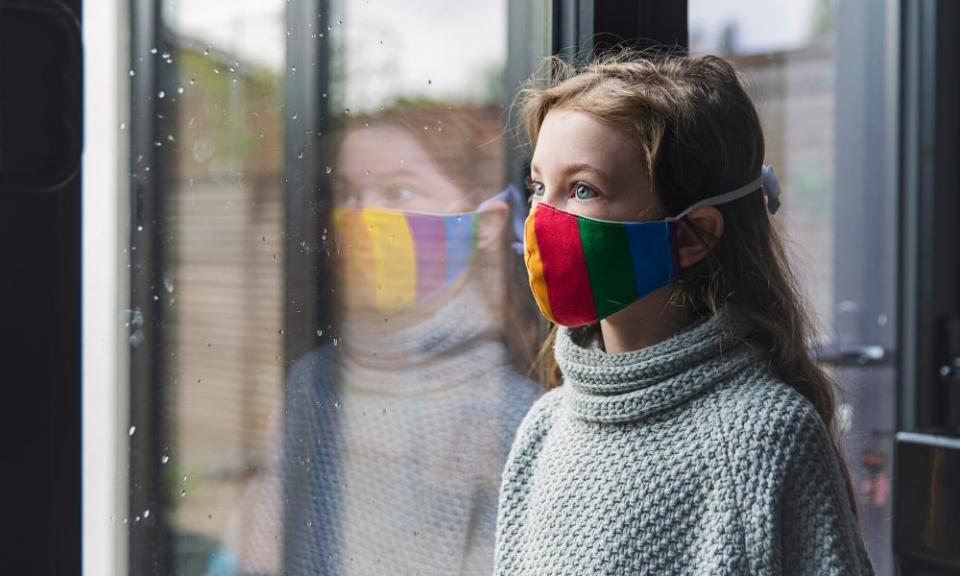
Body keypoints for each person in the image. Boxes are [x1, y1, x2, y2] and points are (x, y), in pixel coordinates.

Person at [493, 50, 876, 575]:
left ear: (694, 234)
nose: (541, 218)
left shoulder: (766, 437)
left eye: (583, 189)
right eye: (539, 187)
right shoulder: (544, 427)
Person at [207, 104, 543, 576]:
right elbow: (252, 549)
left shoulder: (515, 414)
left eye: (398, 191)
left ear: (484, 225)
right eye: (347, 193)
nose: (362, 218)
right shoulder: (315, 381)